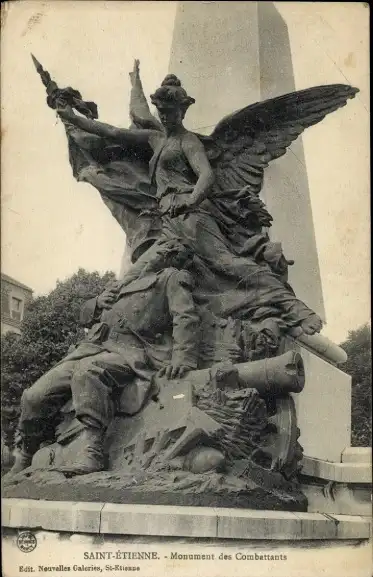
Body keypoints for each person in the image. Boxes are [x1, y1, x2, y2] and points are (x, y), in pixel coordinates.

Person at [57, 75, 322, 336]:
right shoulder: (155, 139)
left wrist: (190, 200)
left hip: (193, 218)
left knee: (227, 263)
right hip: (169, 225)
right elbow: (112, 132)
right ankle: (105, 324)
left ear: (182, 111)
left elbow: (206, 175)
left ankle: (295, 307)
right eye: (161, 111)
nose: (164, 116)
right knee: (138, 271)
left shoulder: (189, 141)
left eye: (170, 112)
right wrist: (72, 118)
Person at [8, 240, 199, 477]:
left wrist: (182, 356)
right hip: (92, 347)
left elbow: (185, 316)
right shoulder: (119, 286)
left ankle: (92, 452)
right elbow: (84, 316)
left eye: (154, 252)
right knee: (34, 395)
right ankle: (25, 455)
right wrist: (98, 302)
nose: (144, 258)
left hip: (131, 353)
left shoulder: (170, 278)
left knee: (88, 371)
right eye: (143, 254)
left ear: (165, 256)